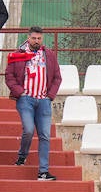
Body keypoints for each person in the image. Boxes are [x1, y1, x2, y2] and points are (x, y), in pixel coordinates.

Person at [4, 26, 60, 180]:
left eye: (39, 38)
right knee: (28, 129)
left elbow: (57, 77)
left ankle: (43, 171)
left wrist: (50, 96)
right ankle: (22, 155)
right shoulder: (18, 54)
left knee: (45, 135)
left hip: (43, 100)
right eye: (34, 38)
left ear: (42, 39)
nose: (37, 41)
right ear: (28, 38)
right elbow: (9, 76)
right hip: (26, 99)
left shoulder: (49, 55)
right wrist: (19, 92)